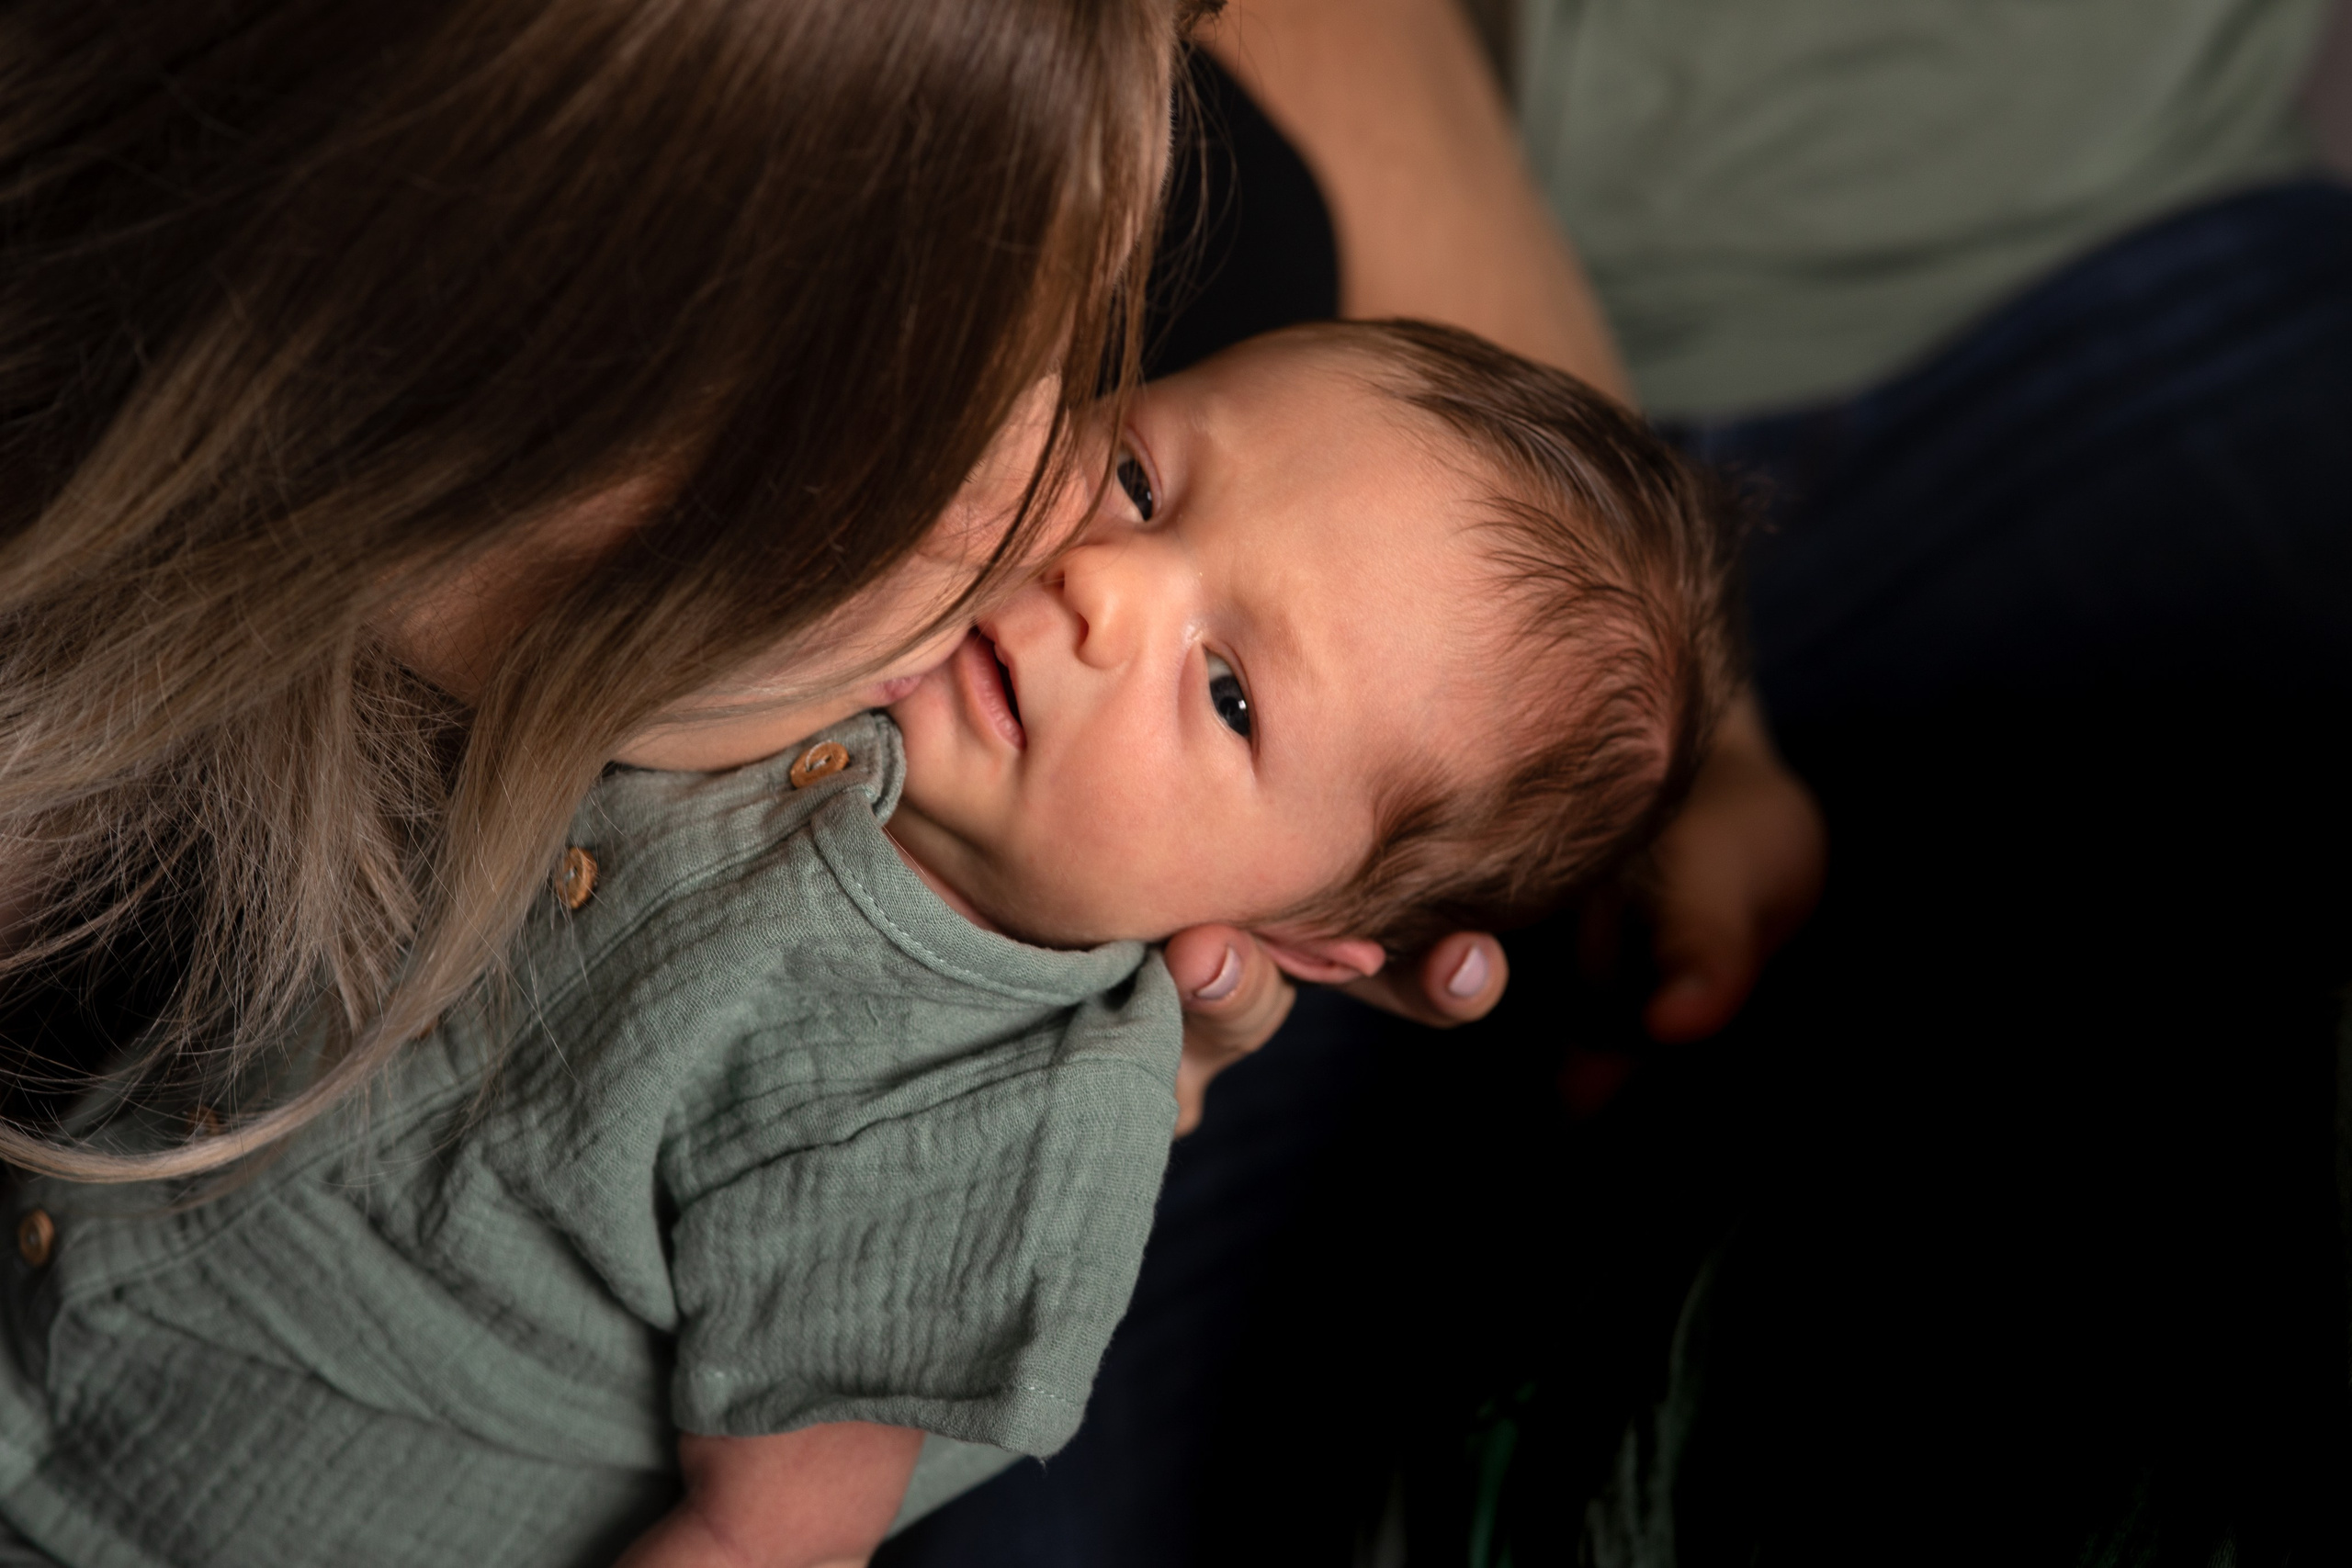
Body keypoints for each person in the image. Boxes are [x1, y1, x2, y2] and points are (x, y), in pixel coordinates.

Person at [0, 319, 1745, 1568]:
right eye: (1142, 476)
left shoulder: (987, 1123)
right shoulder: (854, 615)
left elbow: (775, 1534)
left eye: (1227, 692)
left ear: (1302, 933)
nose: (1107, 587)